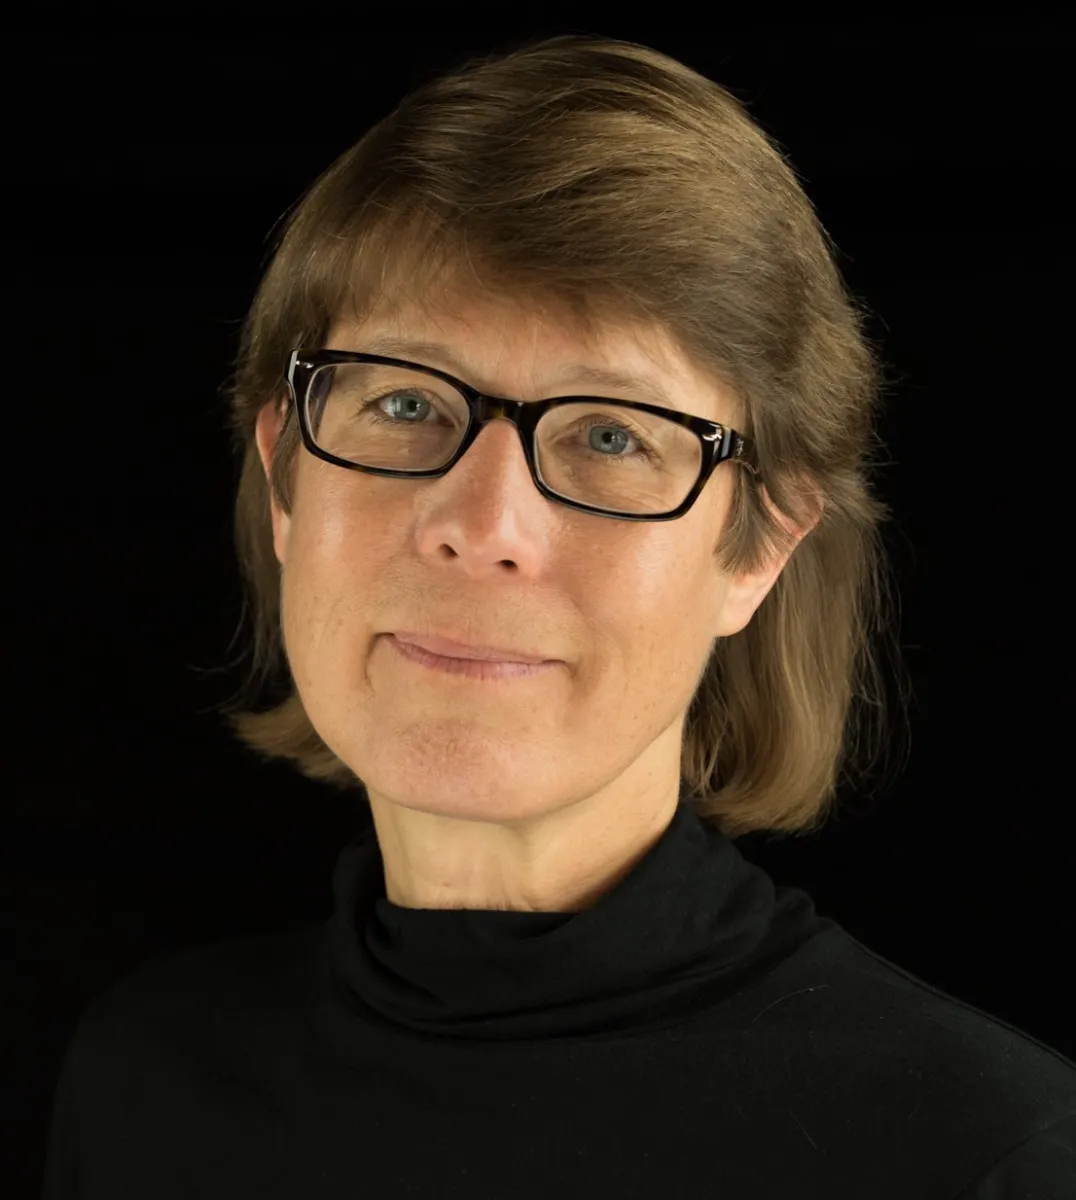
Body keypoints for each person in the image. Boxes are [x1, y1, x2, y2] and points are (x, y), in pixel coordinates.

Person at [42, 34, 1074, 1198]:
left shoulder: (982, 1158)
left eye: (612, 435)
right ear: (284, 479)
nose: (481, 523)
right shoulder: (146, 1084)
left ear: (758, 549)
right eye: (404, 403)